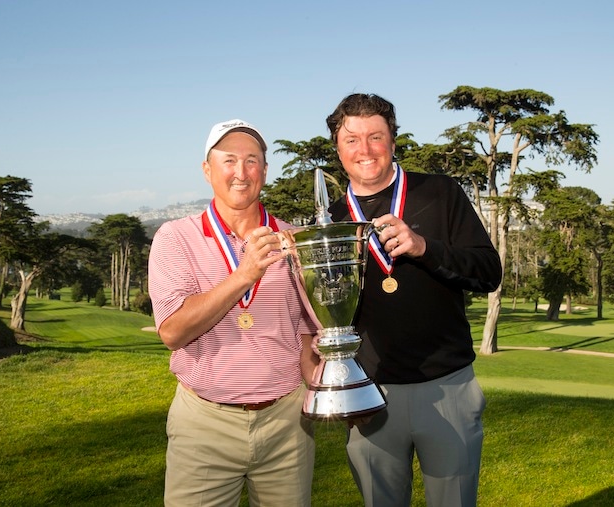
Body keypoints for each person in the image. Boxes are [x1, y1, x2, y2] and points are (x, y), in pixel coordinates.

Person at [324, 94, 502, 507]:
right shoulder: (332, 219)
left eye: (376, 137)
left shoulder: (440, 192)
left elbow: (488, 272)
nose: (364, 149)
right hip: (370, 394)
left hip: (447, 383)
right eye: (351, 139)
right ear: (337, 148)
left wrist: (425, 247)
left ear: (393, 140)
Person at [148, 119, 319, 507]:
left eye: (252, 161)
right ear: (207, 170)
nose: (240, 173)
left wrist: (326, 387)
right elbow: (173, 332)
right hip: (204, 425)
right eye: (228, 161)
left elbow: (308, 332)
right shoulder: (175, 237)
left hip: (287, 422)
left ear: (264, 171)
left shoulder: (294, 240)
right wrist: (244, 275)